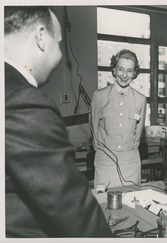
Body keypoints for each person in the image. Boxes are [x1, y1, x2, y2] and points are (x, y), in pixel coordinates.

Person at [5, 6, 112, 237]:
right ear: (42, 37)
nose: (61, 54)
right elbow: (69, 205)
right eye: (60, 44)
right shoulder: (23, 100)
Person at [91, 49, 147, 188]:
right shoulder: (99, 96)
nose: (124, 75)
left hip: (131, 164)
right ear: (114, 70)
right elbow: (94, 127)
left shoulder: (140, 100)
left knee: (132, 203)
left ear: (134, 74)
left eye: (129, 71)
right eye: (121, 69)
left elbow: (138, 134)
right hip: (105, 161)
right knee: (104, 204)